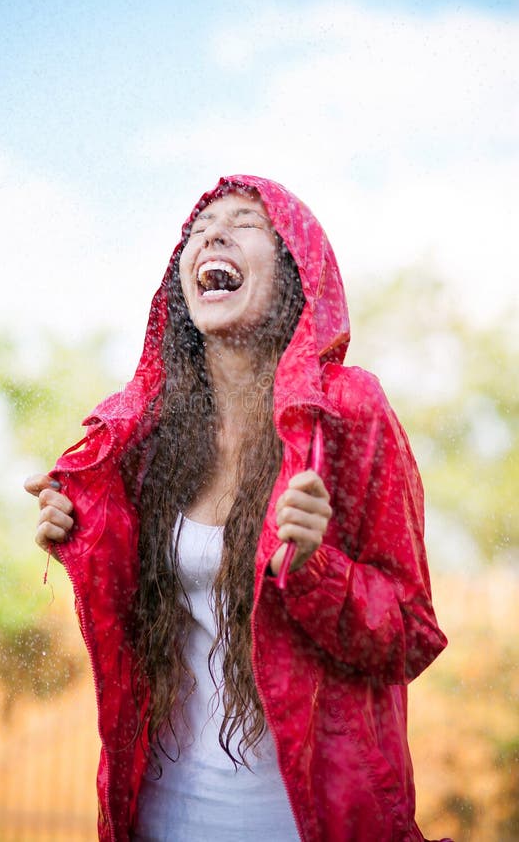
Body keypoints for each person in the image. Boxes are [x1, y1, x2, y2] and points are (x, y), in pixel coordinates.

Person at [25, 175, 449, 842]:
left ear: (293, 270)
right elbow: (129, 628)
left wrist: (313, 567)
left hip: (301, 821)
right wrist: (80, 533)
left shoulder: (348, 411)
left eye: (245, 222)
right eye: (198, 228)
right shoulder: (145, 436)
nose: (213, 234)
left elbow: (409, 635)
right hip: (159, 814)